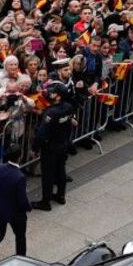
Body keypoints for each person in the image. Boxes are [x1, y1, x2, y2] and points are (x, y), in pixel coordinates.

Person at [32, 59, 78, 209]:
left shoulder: (51, 112)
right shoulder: (68, 107)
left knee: (48, 174)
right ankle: (61, 196)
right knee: (61, 170)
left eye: (52, 92)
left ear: (58, 96)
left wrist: (35, 147)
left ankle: (45, 202)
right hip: (63, 144)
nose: (49, 93)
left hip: (50, 147)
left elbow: (42, 133)